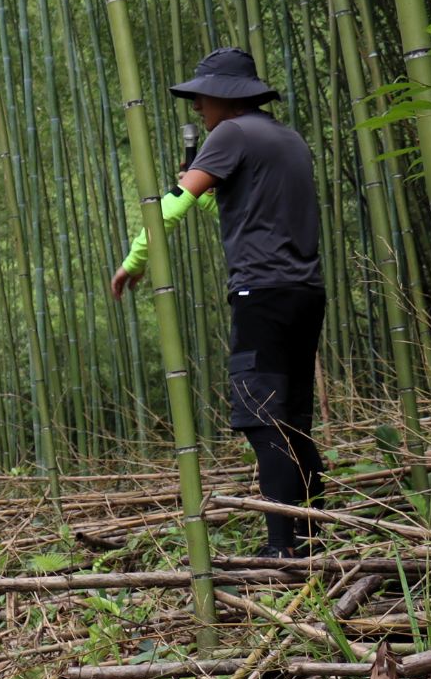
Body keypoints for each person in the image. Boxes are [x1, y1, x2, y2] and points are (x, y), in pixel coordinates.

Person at [110, 47, 323, 557]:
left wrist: (135, 260)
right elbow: (244, 212)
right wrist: (202, 183)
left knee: (260, 417)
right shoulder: (284, 137)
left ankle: (282, 546)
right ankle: (311, 536)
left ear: (223, 98)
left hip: (261, 295)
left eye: (199, 99)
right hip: (304, 291)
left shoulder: (229, 133)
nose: (196, 110)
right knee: (291, 417)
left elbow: (175, 206)